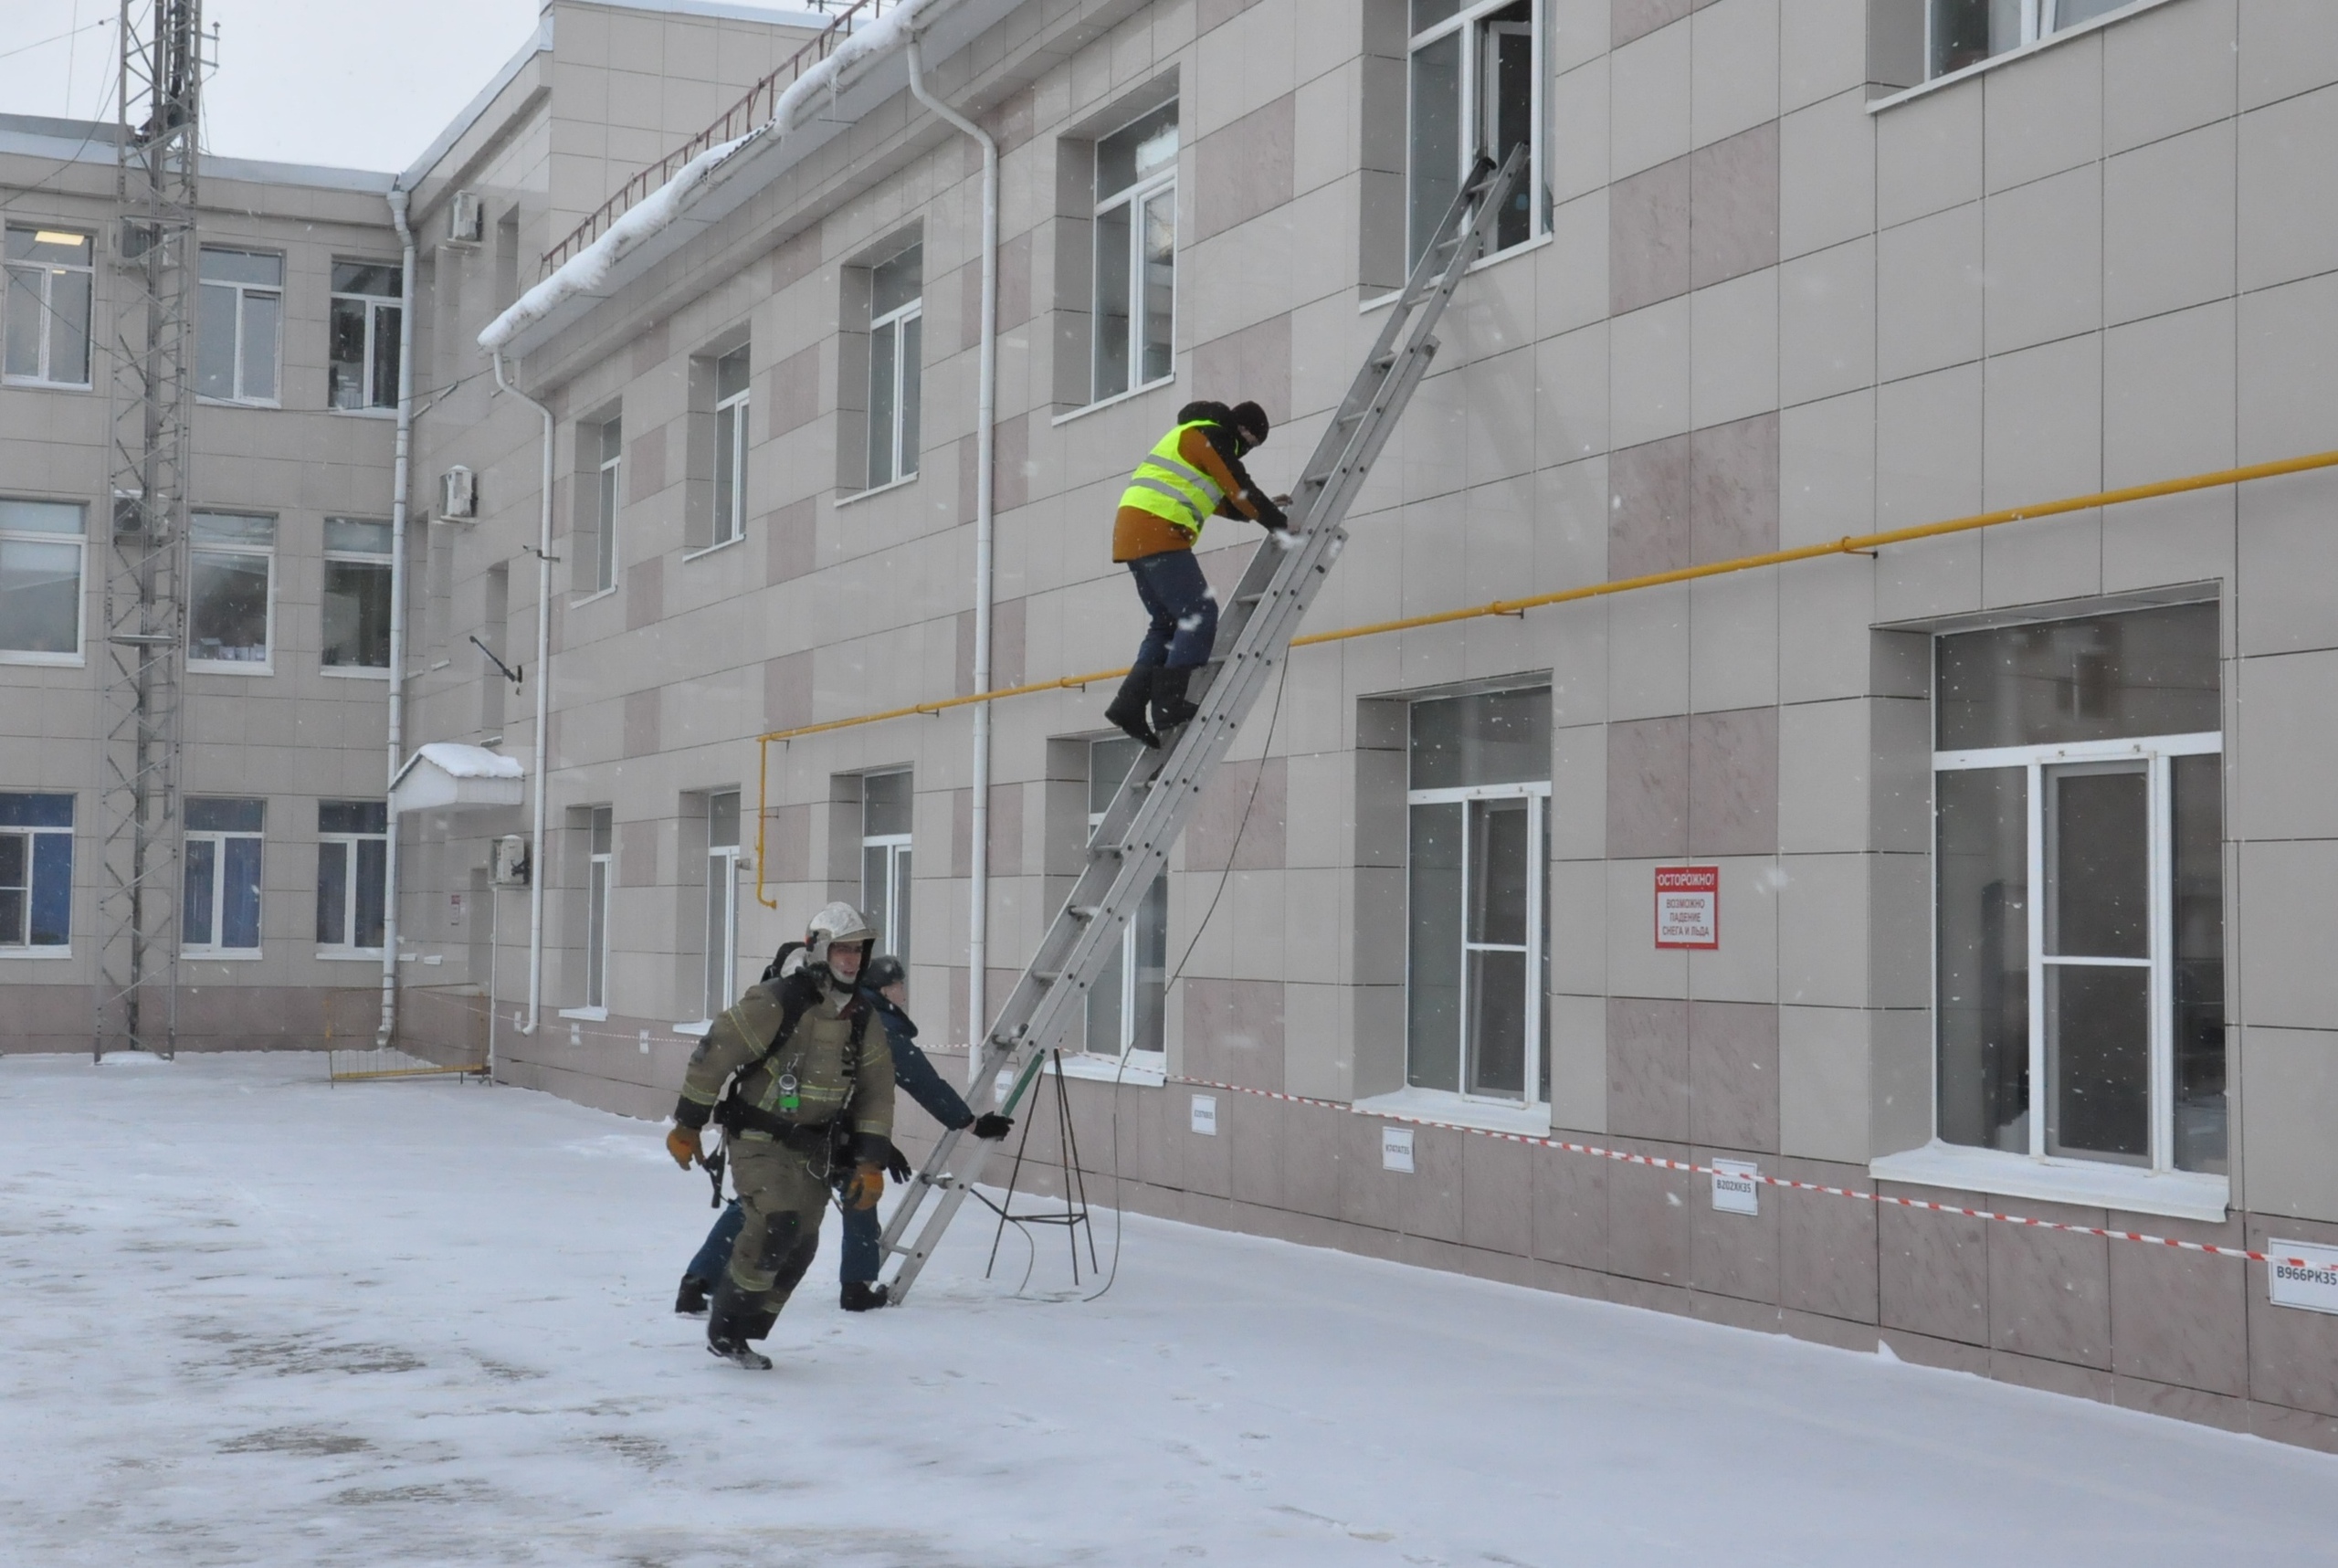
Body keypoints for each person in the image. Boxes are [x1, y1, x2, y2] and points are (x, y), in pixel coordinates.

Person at [673, 952, 1014, 1316]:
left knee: (759, 1203)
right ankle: (856, 1286)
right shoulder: (872, 1019)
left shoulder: (835, 1008)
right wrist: (969, 1122)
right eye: (899, 985)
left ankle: (698, 1281)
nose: (903, 993)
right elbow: (919, 1080)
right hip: (830, 1132)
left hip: (797, 1126)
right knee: (858, 1198)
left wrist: (881, 1142)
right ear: (885, 988)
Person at [663, 901, 896, 1369]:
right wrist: (688, 1124)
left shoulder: (861, 1016)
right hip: (757, 1138)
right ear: (820, 951)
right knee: (777, 1224)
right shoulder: (778, 1000)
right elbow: (715, 1055)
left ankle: (746, 1331)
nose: (851, 960)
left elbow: (876, 1090)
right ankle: (725, 1327)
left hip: (814, 1148)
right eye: (842, 949)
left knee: (802, 1244)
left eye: (859, 950)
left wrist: (870, 1163)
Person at [1103, 399, 1290, 748]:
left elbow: (1218, 497)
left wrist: (1260, 509)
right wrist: (1278, 524)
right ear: (1245, 431)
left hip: (1135, 534)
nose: (1248, 449)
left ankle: (1128, 705)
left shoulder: (1188, 436)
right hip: (1159, 531)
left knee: (1167, 624)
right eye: (1252, 442)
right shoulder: (1208, 435)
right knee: (1199, 614)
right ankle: (1167, 705)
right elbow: (1239, 486)